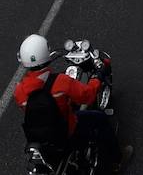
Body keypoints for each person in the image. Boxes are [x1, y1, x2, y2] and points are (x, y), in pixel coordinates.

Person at [14, 34, 133, 172]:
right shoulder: (61, 82)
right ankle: (117, 161)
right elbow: (87, 95)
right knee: (100, 119)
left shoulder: (19, 91)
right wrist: (97, 77)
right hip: (68, 132)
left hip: (42, 139)